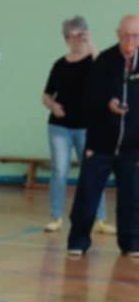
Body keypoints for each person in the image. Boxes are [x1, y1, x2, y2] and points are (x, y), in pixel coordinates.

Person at [67, 15, 139, 260]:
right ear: (118, 34)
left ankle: (131, 243)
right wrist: (108, 103)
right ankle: (78, 241)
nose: (130, 40)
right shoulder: (104, 61)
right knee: (87, 195)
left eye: (135, 35)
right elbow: (88, 99)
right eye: (125, 34)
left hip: (133, 148)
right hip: (100, 144)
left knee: (132, 198)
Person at [41, 17, 109, 233]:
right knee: (59, 170)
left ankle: (100, 219)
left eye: (81, 35)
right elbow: (46, 96)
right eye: (72, 36)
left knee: (92, 171)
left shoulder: (95, 61)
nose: (77, 40)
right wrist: (53, 106)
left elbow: (105, 73)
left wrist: (91, 44)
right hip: (59, 126)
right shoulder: (59, 65)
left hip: (88, 127)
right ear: (66, 39)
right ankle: (56, 217)